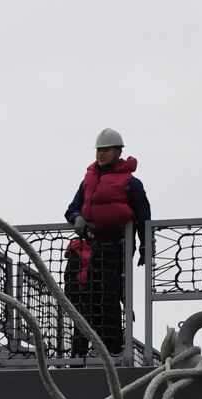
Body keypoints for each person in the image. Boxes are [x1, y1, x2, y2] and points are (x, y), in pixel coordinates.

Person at [63, 128, 151, 357]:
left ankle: (112, 347)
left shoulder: (131, 183)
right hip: (97, 244)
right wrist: (78, 219)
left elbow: (144, 217)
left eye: (106, 150)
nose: (101, 154)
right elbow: (71, 209)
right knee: (93, 291)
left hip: (119, 243)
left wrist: (145, 246)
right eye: (98, 150)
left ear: (118, 151)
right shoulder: (89, 181)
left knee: (109, 291)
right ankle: (97, 345)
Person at [63, 229, 95, 357]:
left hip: (95, 293)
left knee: (88, 324)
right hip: (81, 293)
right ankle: (78, 355)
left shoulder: (101, 249)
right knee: (82, 325)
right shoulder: (78, 249)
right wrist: (72, 295)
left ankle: (82, 354)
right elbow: (70, 276)